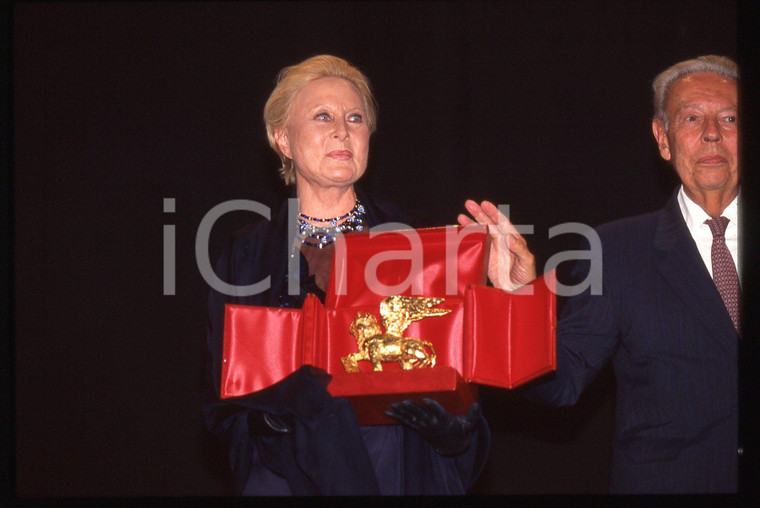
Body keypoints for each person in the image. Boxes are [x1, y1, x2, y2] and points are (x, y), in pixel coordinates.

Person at [203, 54, 516, 495]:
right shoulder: (246, 256)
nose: (342, 130)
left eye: (355, 117)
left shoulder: (418, 242)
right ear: (282, 140)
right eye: (322, 116)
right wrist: (279, 414)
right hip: (286, 473)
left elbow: (466, 388)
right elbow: (223, 403)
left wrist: (454, 432)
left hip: (397, 468)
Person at [458, 55, 741, 493]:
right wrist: (519, 298)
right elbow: (562, 382)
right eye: (691, 117)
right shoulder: (615, 250)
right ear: (662, 139)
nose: (711, 133)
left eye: (729, 117)